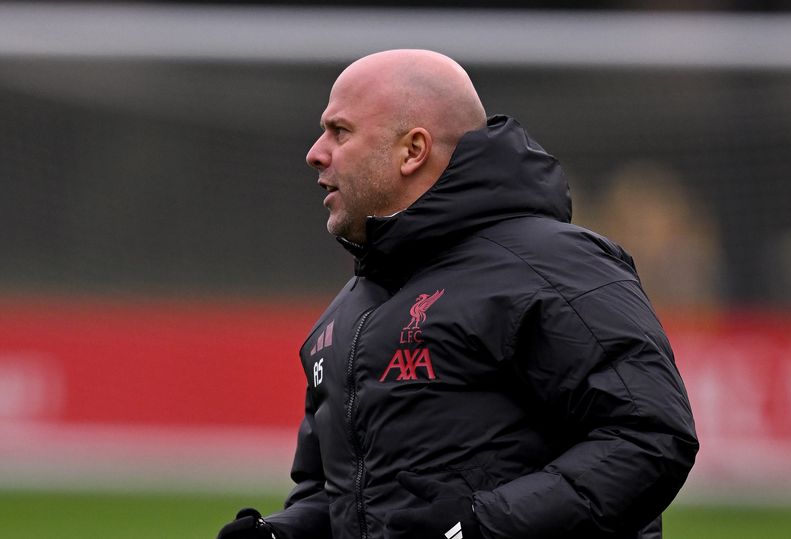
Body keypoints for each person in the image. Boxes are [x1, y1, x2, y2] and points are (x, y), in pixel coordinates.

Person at [217, 49, 698, 539]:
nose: (315, 152)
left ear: (413, 150)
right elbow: (344, 494)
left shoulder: (555, 266)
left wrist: (477, 529)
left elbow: (649, 437)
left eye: (340, 131)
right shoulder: (347, 312)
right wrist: (285, 532)